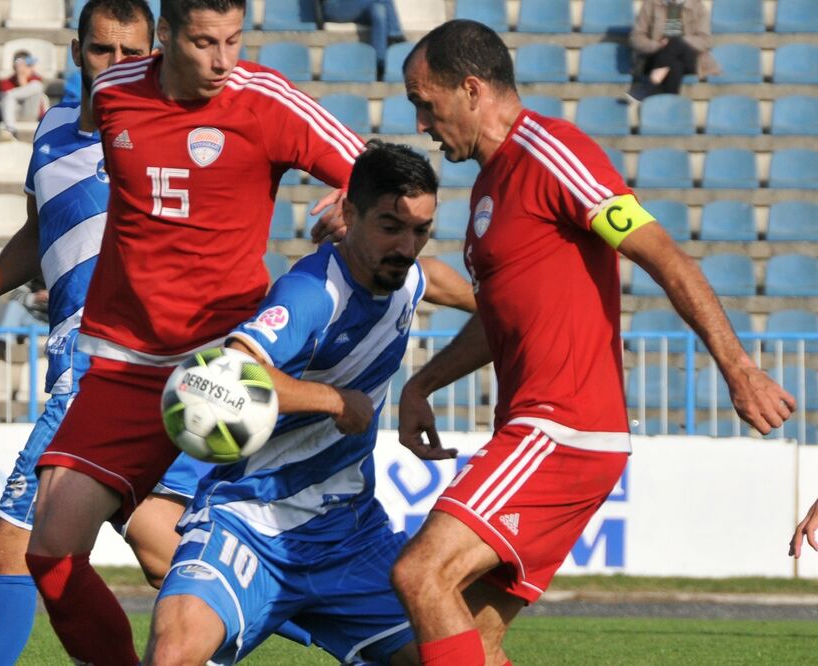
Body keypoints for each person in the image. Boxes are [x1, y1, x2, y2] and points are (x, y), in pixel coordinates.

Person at [392, 20, 795, 666]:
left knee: (421, 574)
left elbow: (662, 253)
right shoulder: (489, 188)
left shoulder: (552, 151)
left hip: (562, 428)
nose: (419, 124)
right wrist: (424, 383)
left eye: (424, 102)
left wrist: (739, 368)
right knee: (454, 648)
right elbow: (503, 318)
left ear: (470, 89)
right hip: (543, 432)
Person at [21, 0, 362, 663]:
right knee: (50, 550)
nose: (223, 60)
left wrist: (356, 199)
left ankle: (379, 628)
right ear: (167, 38)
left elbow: (378, 172)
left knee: (219, 556)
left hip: (222, 369)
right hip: (121, 363)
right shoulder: (115, 91)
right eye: (205, 42)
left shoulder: (266, 99)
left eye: (234, 41)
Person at [0, 2, 207, 663]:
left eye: (133, 53)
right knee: (160, 546)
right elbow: (39, 230)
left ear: (156, 54)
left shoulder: (177, 129)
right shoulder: (51, 129)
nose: (118, 65)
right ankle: (369, 633)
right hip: (88, 362)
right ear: (77, 52)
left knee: (15, 542)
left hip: (107, 360)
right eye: (103, 51)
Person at [150, 140, 475, 666]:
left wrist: (423, 385)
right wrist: (332, 400)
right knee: (174, 654)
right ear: (350, 213)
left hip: (348, 534)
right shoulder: (311, 292)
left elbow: (435, 279)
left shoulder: (405, 275)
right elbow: (231, 374)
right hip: (249, 521)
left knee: (452, 657)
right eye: (391, 226)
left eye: (420, 231)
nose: (406, 245)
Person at [627, 0, 719, 101]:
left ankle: (649, 85)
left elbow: (705, 41)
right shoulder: (651, 3)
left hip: (689, 58)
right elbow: (636, 38)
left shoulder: (697, 6)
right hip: (655, 57)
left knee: (675, 41)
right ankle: (670, 107)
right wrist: (657, 45)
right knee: (675, 65)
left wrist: (681, 40)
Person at [317, 0, 405, 80]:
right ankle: (395, 36)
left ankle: (379, 65)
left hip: (357, 5)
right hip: (334, 7)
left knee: (378, 11)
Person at [0, 50, 46, 141]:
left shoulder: (36, 79)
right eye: (24, 66)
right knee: (8, 96)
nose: (27, 68)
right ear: (15, 67)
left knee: (37, 86)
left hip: (31, 114)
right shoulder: (5, 82)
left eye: (29, 65)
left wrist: (22, 80)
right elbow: (3, 105)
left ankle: (9, 130)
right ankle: (10, 130)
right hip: (12, 115)